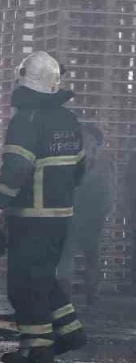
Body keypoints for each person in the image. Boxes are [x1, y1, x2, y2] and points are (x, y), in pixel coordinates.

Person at [0, 51, 86, 363]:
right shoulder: (69, 120)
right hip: (61, 216)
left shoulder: (26, 120)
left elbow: (17, 167)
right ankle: (70, 331)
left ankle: (38, 349)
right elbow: (80, 170)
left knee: (24, 284)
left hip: (32, 217)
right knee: (42, 278)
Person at [57, 124, 115, 305]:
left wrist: (106, 209)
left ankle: (87, 293)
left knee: (88, 256)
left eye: (90, 138)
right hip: (76, 216)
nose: (87, 141)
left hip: (89, 217)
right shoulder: (72, 161)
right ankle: (70, 294)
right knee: (71, 256)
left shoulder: (103, 163)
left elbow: (110, 189)